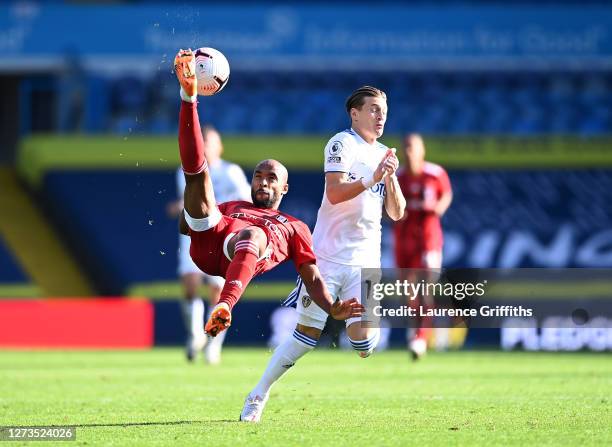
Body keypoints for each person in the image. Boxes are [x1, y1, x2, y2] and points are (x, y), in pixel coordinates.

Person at [173, 49, 363, 347]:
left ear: (284, 189)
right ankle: (188, 99)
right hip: (209, 244)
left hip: (240, 251)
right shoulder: (235, 206)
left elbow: (311, 276)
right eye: (259, 176)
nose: (263, 182)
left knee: (252, 233)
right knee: (198, 176)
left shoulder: (294, 226)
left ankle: (224, 306)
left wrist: (331, 307)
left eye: (271, 178)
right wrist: (192, 209)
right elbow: (187, 226)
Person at [240, 85, 406, 422]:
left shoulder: (384, 154)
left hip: (366, 262)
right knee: (305, 339)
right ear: (355, 113)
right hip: (327, 257)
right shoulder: (341, 144)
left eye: (383, 111)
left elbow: (398, 212)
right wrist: (372, 177)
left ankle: (353, 330)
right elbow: (333, 193)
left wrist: (389, 180)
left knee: (365, 344)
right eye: (373, 109)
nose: (380, 116)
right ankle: (258, 393)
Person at [167, 125, 251, 363]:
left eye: (210, 142)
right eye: (202, 141)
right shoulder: (185, 171)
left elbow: (246, 200)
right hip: (194, 234)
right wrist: (180, 207)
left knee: (218, 293)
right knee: (190, 285)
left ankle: (212, 343)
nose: (205, 146)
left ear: (219, 147)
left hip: (222, 236)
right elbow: (191, 202)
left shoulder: (231, 172)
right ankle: (195, 335)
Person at [393, 133, 453, 360]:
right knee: (408, 292)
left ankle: (420, 336)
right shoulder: (397, 177)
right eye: (406, 147)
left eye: (413, 147)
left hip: (428, 239)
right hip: (403, 239)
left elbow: (446, 194)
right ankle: (417, 329)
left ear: (422, 150)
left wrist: (439, 206)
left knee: (425, 288)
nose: (409, 151)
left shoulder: (435, 173)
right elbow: (386, 206)